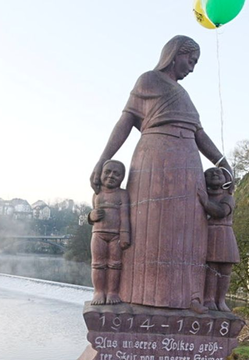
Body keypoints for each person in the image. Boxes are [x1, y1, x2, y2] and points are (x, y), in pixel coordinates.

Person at [90, 35, 232, 311]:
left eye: (195, 63)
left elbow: (199, 134)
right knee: (148, 228)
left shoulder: (185, 95)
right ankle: (141, 294)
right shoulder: (148, 81)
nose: (191, 68)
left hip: (189, 163)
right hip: (153, 159)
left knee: (188, 230)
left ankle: (187, 297)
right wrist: (104, 158)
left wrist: (222, 161)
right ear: (175, 54)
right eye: (190, 61)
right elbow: (126, 121)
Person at [88, 160, 130, 305]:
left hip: (116, 235)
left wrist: (125, 233)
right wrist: (91, 216)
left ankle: (112, 292)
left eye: (116, 174)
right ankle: (99, 291)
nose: (111, 176)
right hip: (98, 234)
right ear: (100, 174)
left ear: (122, 178)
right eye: (107, 172)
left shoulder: (122, 195)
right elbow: (92, 213)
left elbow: (125, 216)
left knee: (115, 264)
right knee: (97, 264)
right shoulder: (97, 194)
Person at [198, 167, 239, 312]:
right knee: (210, 267)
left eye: (219, 173)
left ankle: (221, 299)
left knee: (226, 268)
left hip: (224, 232)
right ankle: (209, 299)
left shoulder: (228, 197)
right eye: (210, 173)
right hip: (208, 233)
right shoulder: (203, 196)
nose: (215, 174)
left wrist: (205, 203)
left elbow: (221, 212)